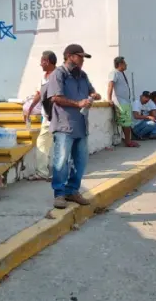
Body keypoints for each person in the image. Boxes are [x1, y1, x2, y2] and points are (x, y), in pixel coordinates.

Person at [47, 44, 100, 209]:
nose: (82, 60)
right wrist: (78, 103)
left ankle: (72, 190)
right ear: (69, 56)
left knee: (80, 161)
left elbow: (91, 90)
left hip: (81, 125)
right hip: (64, 125)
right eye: (80, 56)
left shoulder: (82, 75)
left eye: (83, 57)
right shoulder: (58, 74)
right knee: (61, 161)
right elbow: (55, 98)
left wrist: (93, 95)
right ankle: (59, 194)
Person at [25, 51, 61, 180]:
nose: (40, 64)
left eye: (42, 61)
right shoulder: (44, 77)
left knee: (61, 144)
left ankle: (57, 172)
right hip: (47, 116)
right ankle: (43, 172)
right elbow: (39, 94)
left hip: (59, 116)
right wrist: (30, 107)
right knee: (43, 143)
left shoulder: (58, 75)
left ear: (48, 61)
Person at [107, 56, 139, 148]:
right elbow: (110, 86)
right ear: (120, 64)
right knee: (126, 122)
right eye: (124, 63)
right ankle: (128, 142)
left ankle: (128, 140)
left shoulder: (121, 73)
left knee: (127, 122)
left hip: (125, 101)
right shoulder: (114, 73)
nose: (126, 65)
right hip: (120, 101)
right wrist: (109, 99)